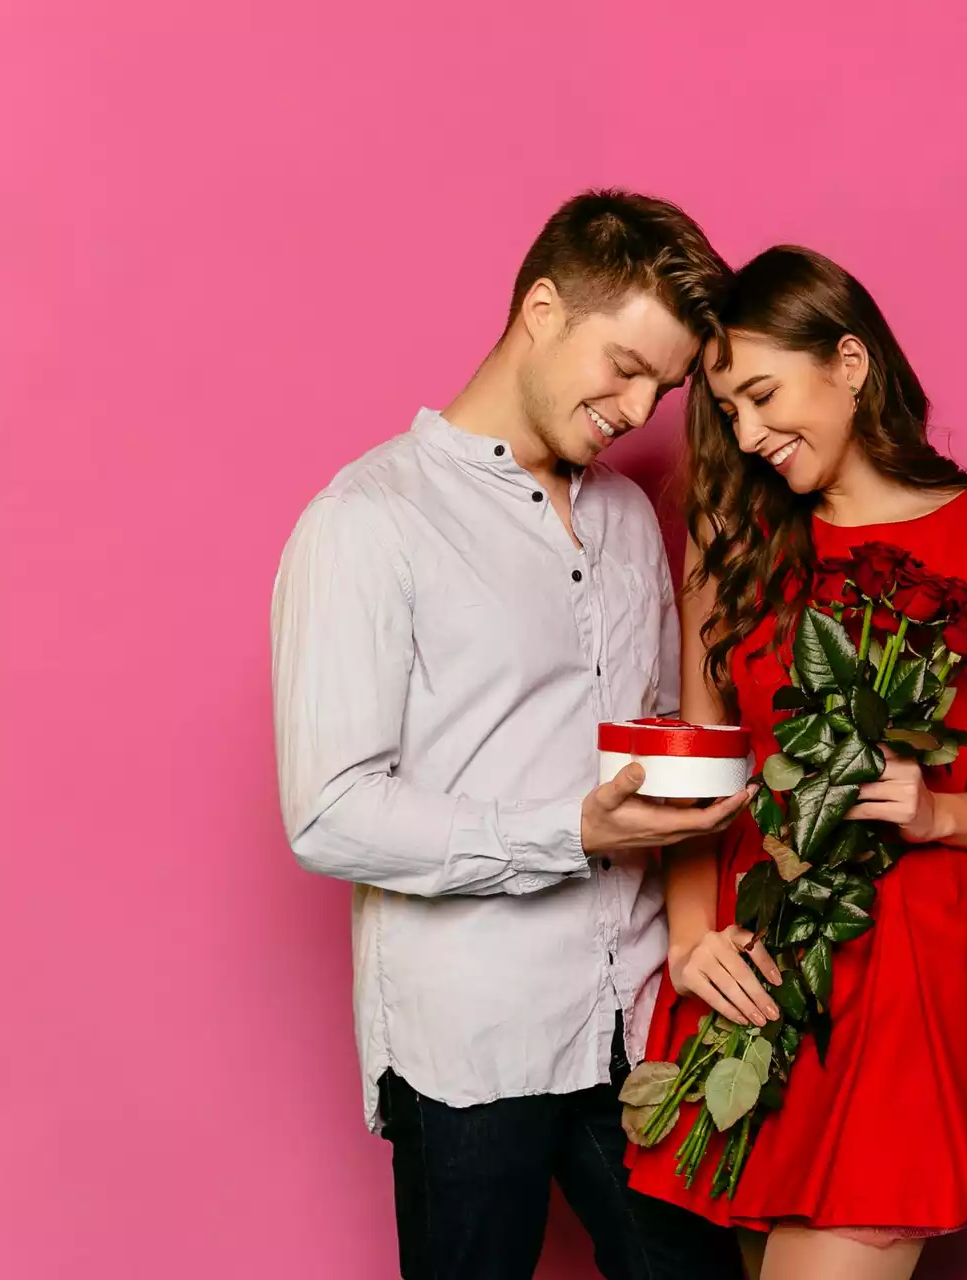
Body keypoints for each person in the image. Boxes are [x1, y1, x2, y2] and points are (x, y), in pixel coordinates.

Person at [270, 190, 750, 1280]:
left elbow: (646, 733)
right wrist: (570, 830)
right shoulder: (369, 521)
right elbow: (328, 811)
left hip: (633, 1020)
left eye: (664, 386)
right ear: (541, 309)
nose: (639, 408)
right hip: (469, 1041)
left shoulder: (627, 517)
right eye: (625, 367)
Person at [625, 246, 967, 1280]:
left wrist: (940, 814)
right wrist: (691, 939)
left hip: (910, 959)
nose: (748, 433)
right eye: (727, 410)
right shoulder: (732, 536)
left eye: (762, 395)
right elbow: (705, 758)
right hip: (758, 958)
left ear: (849, 361)